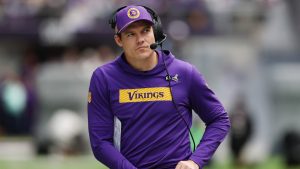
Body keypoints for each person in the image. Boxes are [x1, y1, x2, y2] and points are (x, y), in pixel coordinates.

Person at [87, 5, 230, 169]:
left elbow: (219, 120)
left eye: (145, 30)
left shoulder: (185, 73)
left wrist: (195, 161)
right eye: (131, 34)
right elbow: (100, 142)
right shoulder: (104, 78)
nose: (140, 39)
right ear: (119, 40)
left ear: (155, 32)